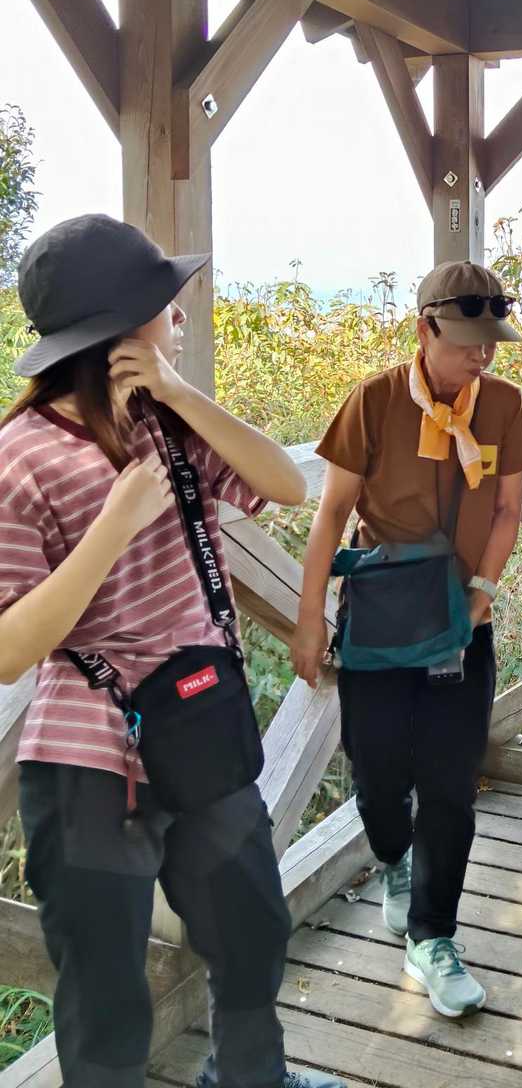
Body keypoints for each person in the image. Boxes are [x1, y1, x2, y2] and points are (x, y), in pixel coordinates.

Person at [0, 214, 344, 1088]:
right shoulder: (21, 459)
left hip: (198, 729)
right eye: (165, 302)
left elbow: (285, 484)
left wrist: (183, 394)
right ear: (117, 327)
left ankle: (251, 1079)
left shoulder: (168, 421)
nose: (180, 315)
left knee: (252, 928)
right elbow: (7, 650)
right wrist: (113, 527)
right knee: (106, 993)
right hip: (88, 763)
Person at [293, 261, 522, 1018]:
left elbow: (508, 511)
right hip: (380, 619)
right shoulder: (372, 402)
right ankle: (395, 858)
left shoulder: (504, 405)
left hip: (463, 624)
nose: (482, 356)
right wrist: (310, 616)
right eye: (467, 341)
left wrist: (482, 594)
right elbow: (331, 514)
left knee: (449, 784)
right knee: (374, 772)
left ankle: (434, 937)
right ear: (425, 329)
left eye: (491, 341)